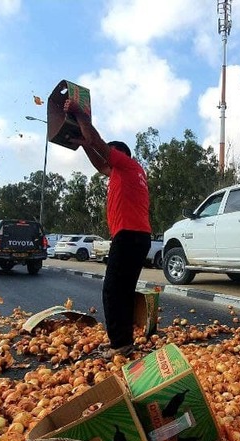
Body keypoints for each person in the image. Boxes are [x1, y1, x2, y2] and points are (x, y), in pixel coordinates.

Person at [65, 99, 152, 357]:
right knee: (122, 292)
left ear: (121, 154)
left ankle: (120, 345)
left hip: (129, 236)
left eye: (109, 153)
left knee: (113, 291)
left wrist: (81, 116)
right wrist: (84, 146)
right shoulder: (126, 171)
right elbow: (99, 161)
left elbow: (98, 145)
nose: (106, 158)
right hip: (136, 237)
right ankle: (122, 341)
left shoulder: (126, 165)